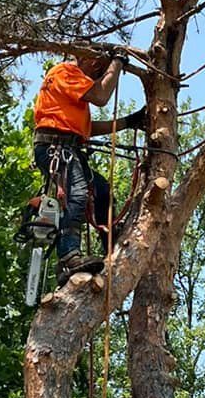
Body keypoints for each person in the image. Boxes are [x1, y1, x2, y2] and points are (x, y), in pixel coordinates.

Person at [32, 51, 143, 278]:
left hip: (65, 147)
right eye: (97, 71)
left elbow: (87, 128)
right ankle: (69, 256)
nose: (95, 78)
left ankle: (110, 238)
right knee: (78, 194)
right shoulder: (66, 71)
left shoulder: (68, 91)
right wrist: (117, 63)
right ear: (89, 60)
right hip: (57, 147)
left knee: (100, 191)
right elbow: (101, 97)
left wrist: (128, 122)